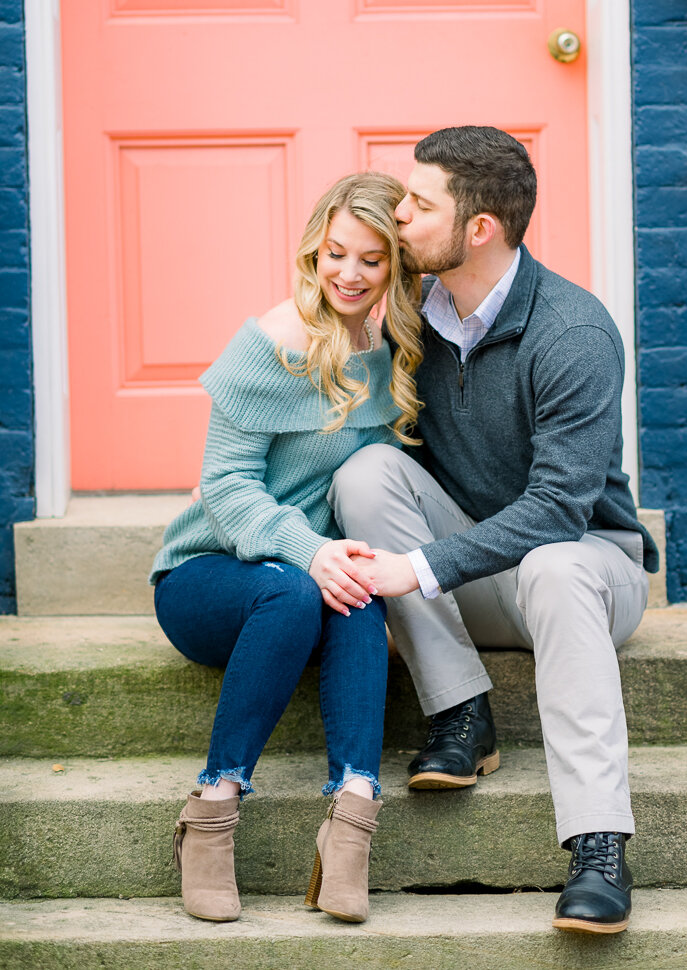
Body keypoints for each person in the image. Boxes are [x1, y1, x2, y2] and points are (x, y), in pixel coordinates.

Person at [328, 126, 659, 935]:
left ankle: (597, 845)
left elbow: (557, 511)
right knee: (361, 476)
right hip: (474, 576)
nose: (398, 216)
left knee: (551, 562)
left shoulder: (571, 332)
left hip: (587, 576)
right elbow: (318, 381)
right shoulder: (410, 311)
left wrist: (421, 566)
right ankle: (462, 713)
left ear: (479, 228)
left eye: (418, 202)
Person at [149, 172, 423, 925]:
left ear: (396, 267)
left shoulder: (400, 345)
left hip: (312, 583)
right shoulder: (274, 341)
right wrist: (309, 550)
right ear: (314, 249)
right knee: (303, 584)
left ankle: (352, 820)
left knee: (354, 586)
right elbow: (227, 488)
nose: (348, 273)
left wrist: (336, 557)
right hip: (211, 577)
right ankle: (211, 811)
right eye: (335, 253)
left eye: (371, 260)